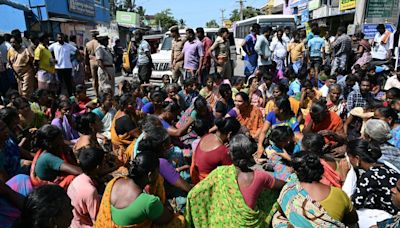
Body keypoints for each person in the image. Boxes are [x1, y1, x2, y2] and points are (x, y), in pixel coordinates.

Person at [186, 134, 284, 227]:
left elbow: (197, 191)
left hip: (224, 223)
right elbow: (282, 185)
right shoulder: (261, 176)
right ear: (251, 154)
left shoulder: (221, 172)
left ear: (230, 154)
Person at [95, 151, 185, 227]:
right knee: (180, 221)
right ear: (150, 175)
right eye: (158, 172)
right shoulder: (149, 202)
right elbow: (167, 218)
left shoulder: (114, 182)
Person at [273, 152, 358, 227]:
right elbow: (353, 219)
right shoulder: (339, 194)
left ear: (296, 172)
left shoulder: (288, 190)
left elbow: (283, 213)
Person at [343, 139, 399, 226]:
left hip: (392, 214)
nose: (347, 160)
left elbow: (353, 205)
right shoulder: (385, 165)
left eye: (348, 156)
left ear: (357, 158)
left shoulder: (369, 176)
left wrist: (344, 176)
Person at [30, 124, 82, 189]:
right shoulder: (48, 157)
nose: (63, 141)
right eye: (60, 138)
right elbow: (78, 171)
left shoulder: (46, 151)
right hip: (48, 191)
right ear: (50, 143)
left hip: (50, 185)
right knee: (72, 178)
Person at [190, 117, 240, 183]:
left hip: (198, 179)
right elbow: (231, 173)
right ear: (229, 134)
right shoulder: (223, 151)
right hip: (209, 184)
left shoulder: (206, 136)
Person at [67, 147, 104, 228]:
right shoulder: (90, 191)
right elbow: (97, 220)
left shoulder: (77, 180)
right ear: (98, 167)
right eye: (104, 162)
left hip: (74, 222)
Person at [111, 93, 141, 164]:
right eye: (131, 103)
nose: (134, 105)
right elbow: (139, 136)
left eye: (134, 102)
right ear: (123, 105)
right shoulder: (125, 119)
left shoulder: (121, 112)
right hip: (125, 149)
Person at [84, 30, 100, 97]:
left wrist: (86, 65)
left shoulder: (88, 44)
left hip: (91, 62)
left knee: (94, 79)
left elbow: (85, 56)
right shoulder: (99, 43)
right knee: (101, 78)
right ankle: (101, 94)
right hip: (99, 61)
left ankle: (96, 94)